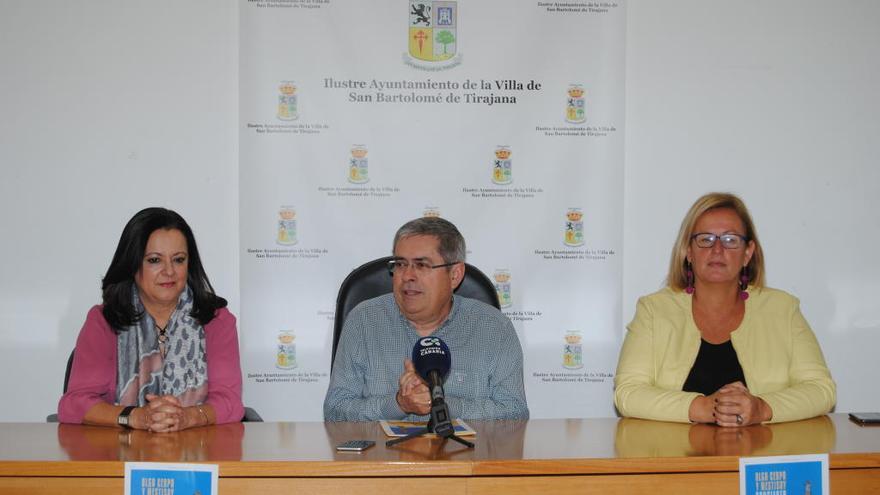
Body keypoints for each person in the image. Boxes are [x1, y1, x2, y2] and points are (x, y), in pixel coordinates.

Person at [614, 193, 835, 426]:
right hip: (676, 459)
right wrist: (703, 408)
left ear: (747, 253)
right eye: (706, 239)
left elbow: (821, 391)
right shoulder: (653, 311)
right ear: (689, 251)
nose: (717, 249)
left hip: (759, 459)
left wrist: (762, 408)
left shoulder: (783, 309)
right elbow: (627, 394)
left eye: (730, 240)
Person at [324, 217, 529, 421]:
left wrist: (441, 403)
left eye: (421, 265)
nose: (407, 276)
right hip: (384, 453)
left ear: (455, 275)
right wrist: (397, 404)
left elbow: (514, 413)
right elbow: (335, 411)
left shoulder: (494, 327)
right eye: (401, 264)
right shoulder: (364, 321)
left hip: (464, 453)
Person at [58, 207, 243, 431]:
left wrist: (186, 418)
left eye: (178, 260)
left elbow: (229, 402)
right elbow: (75, 405)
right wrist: (136, 417)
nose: (169, 271)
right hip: (117, 456)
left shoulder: (216, 321)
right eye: (154, 260)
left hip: (199, 456)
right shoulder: (104, 321)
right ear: (132, 264)